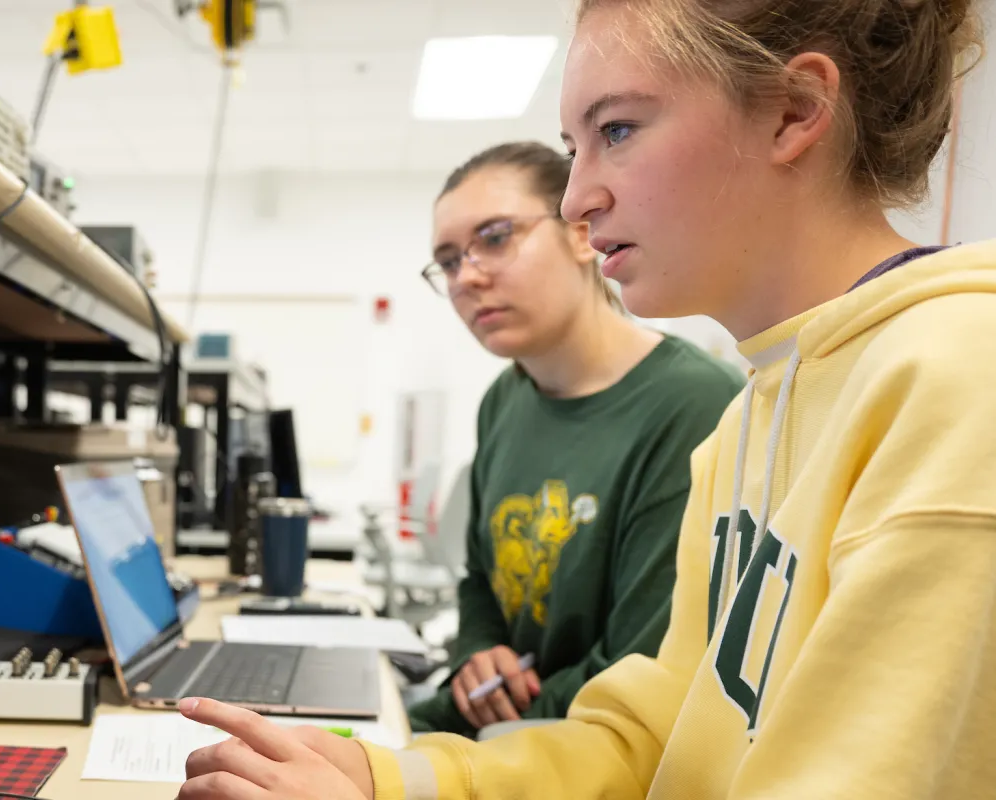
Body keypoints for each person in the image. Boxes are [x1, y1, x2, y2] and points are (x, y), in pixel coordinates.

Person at [176, 0, 995, 797]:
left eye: (619, 131)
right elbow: (645, 740)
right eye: (576, 146)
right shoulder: (750, 417)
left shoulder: (955, 380)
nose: (576, 200)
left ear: (794, 111)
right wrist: (381, 778)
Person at [407, 141, 741, 736]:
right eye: (449, 260)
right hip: (508, 729)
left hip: (595, 752)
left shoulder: (693, 405)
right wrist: (474, 657)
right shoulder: (505, 401)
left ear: (582, 234)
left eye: (495, 237)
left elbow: (640, 664)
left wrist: (464, 722)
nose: (469, 276)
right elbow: (480, 578)